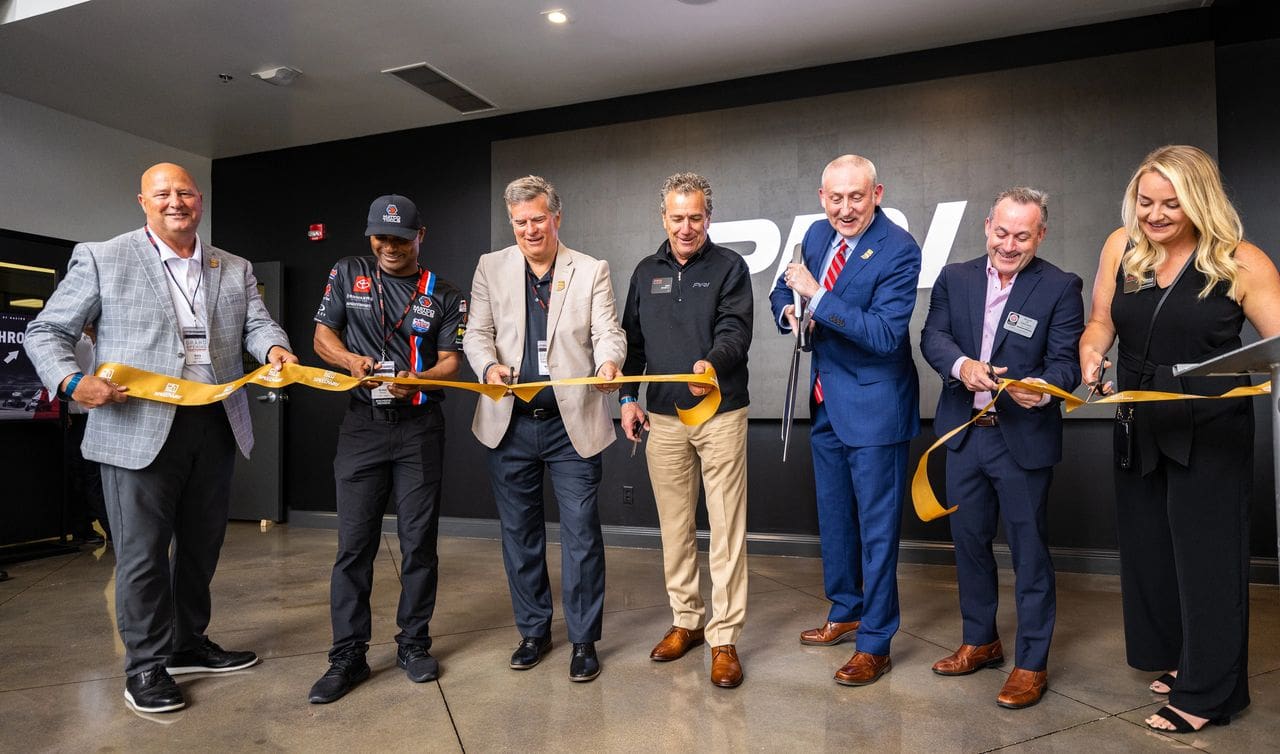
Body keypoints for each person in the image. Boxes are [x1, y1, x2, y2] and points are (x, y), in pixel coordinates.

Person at [25, 163, 297, 713]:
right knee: (143, 554)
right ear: (142, 202)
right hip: (136, 427)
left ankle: (188, 644)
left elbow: (257, 325)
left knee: (201, 549)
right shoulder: (104, 256)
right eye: (163, 194)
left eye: (186, 193)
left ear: (200, 201)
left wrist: (275, 349)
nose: (177, 202)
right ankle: (146, 666)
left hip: (215, 424)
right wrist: (74, 381)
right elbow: (46, 331)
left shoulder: (233, 265)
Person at [1079, 145, 1280, 733]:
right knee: (1152, 553)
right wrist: (1092, 352)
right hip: (1138, 418)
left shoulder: (1243, 262)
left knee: (1208, 560)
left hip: (1210, 427)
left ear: (1200, 202)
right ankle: (1180, 659)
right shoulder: (1122, 246)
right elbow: (1101, 321)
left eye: (1171, 204)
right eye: (1146, 202)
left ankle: (1213, 692)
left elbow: (1277, 345)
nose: (1155, 215)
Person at [920, 188, 1083, 709]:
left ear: (1040, 235)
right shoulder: (955, 277)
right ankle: (980, 641)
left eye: (1022, 235)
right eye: (1001, 232)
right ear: (987, 225)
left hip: (1021, 441)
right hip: (964, 434)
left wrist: (1045, 386)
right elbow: (933, 337)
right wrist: (961, 366)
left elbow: (1067, 362)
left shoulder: (1060, 286)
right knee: (968, 545)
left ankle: (1030, 664)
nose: (1008, 245)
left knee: (1029, 553)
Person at [462, 175, 626, 682]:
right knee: (520, 535)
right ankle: (533, 630)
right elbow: (477, 335)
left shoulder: (590, 269)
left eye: (537, 219)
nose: (529, 230)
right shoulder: (491, 267)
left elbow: (607, 332)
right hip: (510, 423)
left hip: (569, 423)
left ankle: (583, 640)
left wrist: (608, 365)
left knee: (580, 536)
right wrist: (488, 368)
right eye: (519, 222)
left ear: (556, 217)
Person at [307, 195, 467, 704]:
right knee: (354, 546)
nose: (389, 247)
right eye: (381, 237)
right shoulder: (348, 272)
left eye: (400, 238)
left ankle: (414, 644)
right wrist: (350, 360)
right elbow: (321, 337)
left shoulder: (443, 293)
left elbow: (450, 363)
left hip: (419, 426)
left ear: (421, 236)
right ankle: (347, 655)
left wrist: (414, 378)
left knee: (419, 543)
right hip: (362, 427)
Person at [768, 154, 920, 686]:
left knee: (877, 530)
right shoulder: (814, 232)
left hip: (876, 407)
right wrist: (789, 307)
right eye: (836, 197)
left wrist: (818, 295)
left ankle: (876, 641)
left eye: (857, 196)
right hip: (826, 400)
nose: (845, 208)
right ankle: (846, 610)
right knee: (835, 519)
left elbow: (884, 335)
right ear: (821, 197)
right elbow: (785, 287)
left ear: (878, 193)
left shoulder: (900, 250)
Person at [619, 172, 753, 688]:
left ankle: (724, 638)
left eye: (695, 217)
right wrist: (630, 398)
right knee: (675, 528)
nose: (686, 227)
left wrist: (711, 364)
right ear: (664, 218)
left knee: (725, 528)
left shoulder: (730, 267)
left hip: (719, 413)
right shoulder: (644, 270)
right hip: (664, 419)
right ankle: (687, 621)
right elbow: (632, 344)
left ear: (708, 217)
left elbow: (735, 330)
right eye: (677, 218)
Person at [64, 325, 110, 544]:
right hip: (78, 416)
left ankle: (93, 528)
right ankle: (92, 528)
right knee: (85, 474)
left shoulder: (105, 337)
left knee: (97, 475)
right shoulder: (75, 338)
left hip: (103, 415)